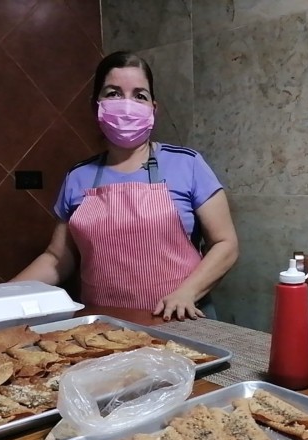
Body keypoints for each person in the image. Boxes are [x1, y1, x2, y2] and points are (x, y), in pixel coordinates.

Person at [13, 51, 238, 321]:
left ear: (153, 108)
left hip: (179, 322)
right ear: (96, 105)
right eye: (113, 93)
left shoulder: (187, 164)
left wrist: (187, 292)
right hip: (103, 327)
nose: (127, 105)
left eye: (139, 95)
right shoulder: (78, 177)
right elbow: (57, 259)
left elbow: (226, 243)